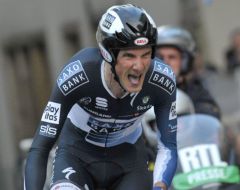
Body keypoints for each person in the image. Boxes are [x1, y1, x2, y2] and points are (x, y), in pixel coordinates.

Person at [24, 4, 178, 190]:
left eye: (145, 55)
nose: (139, 66)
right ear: (108, 54)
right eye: (129, 56)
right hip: (76, 157)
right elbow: (40, 148)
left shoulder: (162, 80)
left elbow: (168, 146)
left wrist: (159, 186)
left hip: (128, 162)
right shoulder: (78, 74)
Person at [155, 25, 221, 119]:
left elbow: (210, 121)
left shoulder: (197, 94)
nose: (165, 62)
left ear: (184, 63)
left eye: (172, 57)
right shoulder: (140, 93)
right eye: (160, 57)